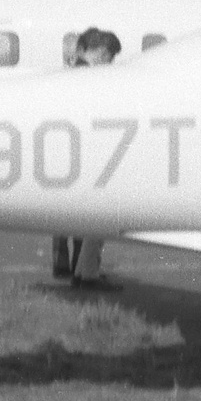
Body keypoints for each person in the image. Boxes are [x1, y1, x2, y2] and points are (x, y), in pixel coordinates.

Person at [52, 28, 122, 286]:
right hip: (83, 154)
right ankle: (84, 271)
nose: (109, 62)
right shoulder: (89, 78)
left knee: (66, 217)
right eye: (108, 55)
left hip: (66, 152)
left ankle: (74, 268)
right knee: (91, 217)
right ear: (98, 51)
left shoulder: (71, 73)